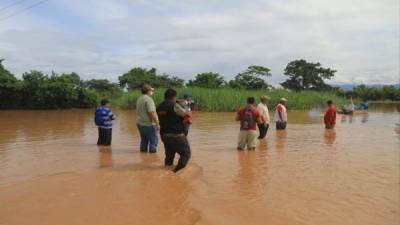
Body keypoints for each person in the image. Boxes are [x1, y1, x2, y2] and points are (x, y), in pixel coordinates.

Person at [157, 89, 191, 172]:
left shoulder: (159, 106)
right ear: (174, 97)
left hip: (164, 135)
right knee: (186, 154)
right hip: (176, 135)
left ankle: (167, 173)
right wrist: (184, 106)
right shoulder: (174, 105)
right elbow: (187, 114)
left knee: (169, 156)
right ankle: (175, 172)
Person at [136, 84, 160, 153]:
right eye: (151, 90)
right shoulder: (149, 99)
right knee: (153, 141)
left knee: (144, 140)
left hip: (140, 123)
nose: (152, 92)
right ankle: (152, 159)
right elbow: (151, 112)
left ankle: (143, 156)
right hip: (149, 124)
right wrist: (157, 123)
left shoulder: (140, 98)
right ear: (148, 91)